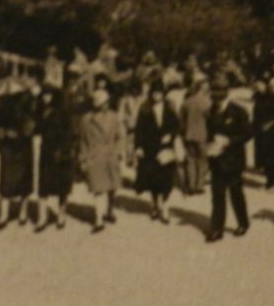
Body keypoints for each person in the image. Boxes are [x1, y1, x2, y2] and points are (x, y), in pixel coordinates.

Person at [0, 72, 36, 229]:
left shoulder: (28, 101)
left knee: (25, 177)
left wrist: (20, 132)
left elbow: (32, 122)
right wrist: (1, 131)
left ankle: (23, 211)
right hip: (7, 144)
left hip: (23, 143)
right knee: (6, 176)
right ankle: (4, 214)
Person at [204, 75, 253, 243]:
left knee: (236, 194)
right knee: (217, 195)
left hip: (233, 160)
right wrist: (209, 145)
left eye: (219, 94)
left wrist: (229, 141)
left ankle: (243, 223)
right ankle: (217, 228)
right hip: (216, 158)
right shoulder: (211, 111)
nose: (216, 98)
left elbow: (247, 133)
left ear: (226, 94)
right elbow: (209, 133)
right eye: (214, 94)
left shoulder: (238, 111)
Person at [77, 83, 126, 232]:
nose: (103, 105)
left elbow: (121, 136)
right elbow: (83, 141)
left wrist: (119, 152)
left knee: (111, 186)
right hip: (95, 156)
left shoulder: (115, 117)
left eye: (104, 102)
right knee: (98, 188)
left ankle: (109, 210)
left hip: (111, 155)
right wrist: (83, 158)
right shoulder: (86, 119)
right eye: (99, 103)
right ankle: (99, 219)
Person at [133, 81, 181, 223]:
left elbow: (177, 126)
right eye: (154, 93)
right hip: (150, 149)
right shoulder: (145, 110)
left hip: (166, 149)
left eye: (159, 93)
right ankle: (154, 205)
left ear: (163, 94)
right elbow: (139, 130)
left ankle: (164, 206)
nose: (157, 96)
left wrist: (171, 135)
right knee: (153, 179)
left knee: (167, 179)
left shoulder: (169, 109)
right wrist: (138, 147)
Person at [34, 72, 76, 231]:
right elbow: (35, 129)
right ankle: (42, 218)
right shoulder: (39, 111)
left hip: (61, 150)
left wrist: (65, 150)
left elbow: (69, 132)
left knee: (62, 186)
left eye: (49, 95)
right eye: (44, 95)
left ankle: (61, 215)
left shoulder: (62, 111)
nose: (46, 98)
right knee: (43, 186)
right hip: (46, 150)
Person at [251, 74, 274, 191]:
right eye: (255, 87)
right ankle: (270, 181)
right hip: (261, 133)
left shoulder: (272, 98)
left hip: (272, 133)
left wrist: (268, 125)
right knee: (265, 158)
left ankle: (272, 182)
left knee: (271, 158)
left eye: (259, 87)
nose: (257, 89)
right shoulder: (259, 98)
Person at [179, 76, 212, 197]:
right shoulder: (207, 103)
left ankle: (191, 185)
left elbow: (181, 121)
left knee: (190, 160)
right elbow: (211, 121)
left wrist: (182, 133)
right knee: (203, 160)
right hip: (203, 135)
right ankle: (200, 184)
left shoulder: (186, 102)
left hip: (188, 135)